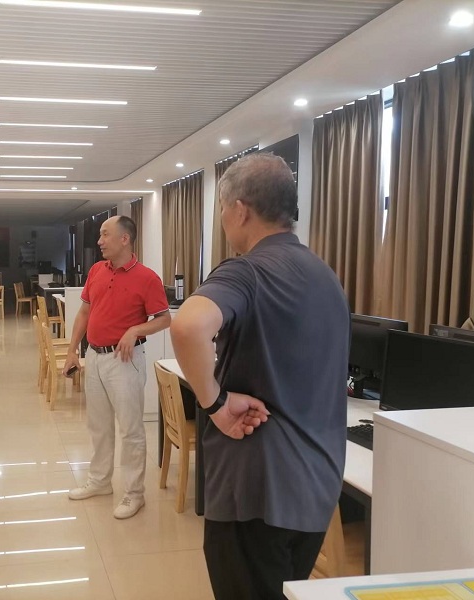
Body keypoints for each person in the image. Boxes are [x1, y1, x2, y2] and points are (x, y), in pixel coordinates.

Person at [170, 153, 350, 599]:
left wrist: (215, 403)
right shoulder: (326, 277)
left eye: (222, 210)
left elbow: (188, 326)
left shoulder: (247, 270)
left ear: (240, 210)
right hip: (316, 488)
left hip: (256, 489)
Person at [63, 216, 171, 519]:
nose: (99, 241)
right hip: (95, 356)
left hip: (125, 361)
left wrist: (135, 330)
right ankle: (100, 482)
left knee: (130, 430)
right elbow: (84, 312)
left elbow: (164, 319)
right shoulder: (97, 270)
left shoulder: (147, 278)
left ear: (125, 239)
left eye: (105, 235)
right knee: (98, 426)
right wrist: (72, 351)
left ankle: (134, 494)